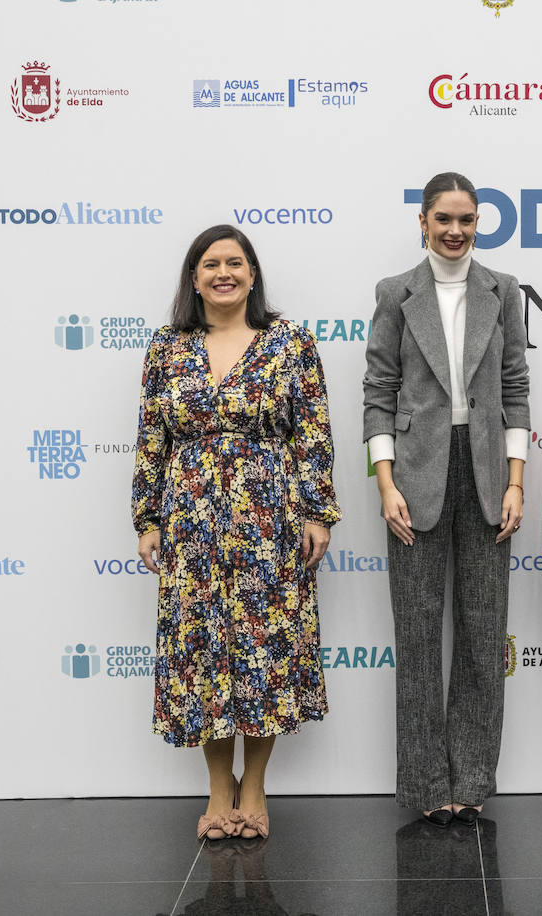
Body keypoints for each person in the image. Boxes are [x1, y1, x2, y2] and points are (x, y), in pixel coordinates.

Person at [132, 224, 341, 842]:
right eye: (210, 264)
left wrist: (317, 511)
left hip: (269, 515)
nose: (224, 273)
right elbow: (151, 438)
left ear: (253, 274)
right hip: (191, 517)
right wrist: (147, 519)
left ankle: (256, 786)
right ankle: (219, 787)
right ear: (193, 278)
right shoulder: (167, 349)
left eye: (235, 262)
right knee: (203, 651)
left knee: (264, 646)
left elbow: (313, 433)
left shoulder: (290, 343)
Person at [362, 171, 530, 826]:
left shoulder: (503, 291)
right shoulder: (394, 294)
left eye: (467, 219)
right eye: (444, 219)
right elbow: (378, 390)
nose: (455, 231)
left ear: (478, 222)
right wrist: (385, 483)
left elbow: (515, 388)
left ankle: (472, 778)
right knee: (418, 633)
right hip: (416, 474)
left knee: (484, 634)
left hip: (487, 473)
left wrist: (516, 481)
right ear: (424, 223)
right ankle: (428, 784)